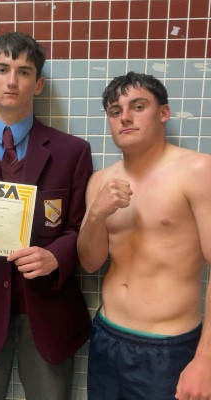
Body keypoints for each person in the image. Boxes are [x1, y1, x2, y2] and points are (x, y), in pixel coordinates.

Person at [0, 32, 92, 400]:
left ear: (38, 84)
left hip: (49, 313)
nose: (12, 81)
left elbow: (79, 228)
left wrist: (55, 256)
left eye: (24, 72)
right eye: (2, 69)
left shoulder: (72, 152)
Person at [77, 71, 211, 400]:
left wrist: (205, 360)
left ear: (163, 113)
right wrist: (96, 214)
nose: (125, 117)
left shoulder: (198, 172)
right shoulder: (99, 182)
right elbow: (90, 263)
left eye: (138, 106)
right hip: (107, 335)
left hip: (168, 347)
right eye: (115, 111)